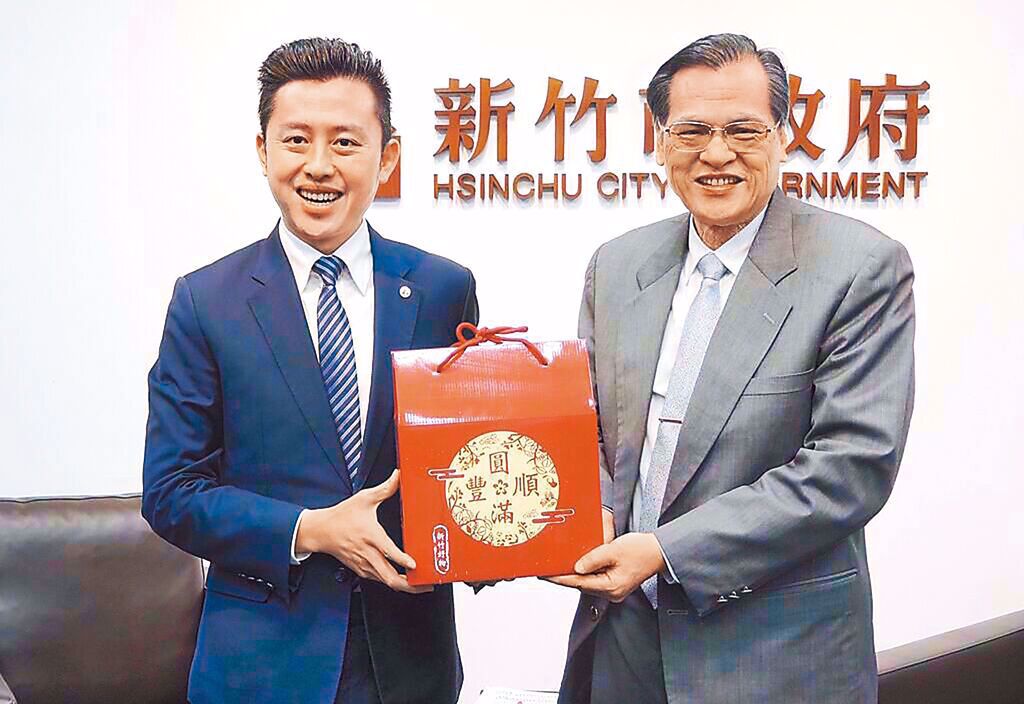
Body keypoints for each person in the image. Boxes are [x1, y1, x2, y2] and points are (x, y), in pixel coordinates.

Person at [551, 33, 915, 704]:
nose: (716, 154)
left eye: (743, 131)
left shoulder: (860, 268)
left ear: (784, 135)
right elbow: (588, 426)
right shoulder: (617, 266)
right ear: (660, 142)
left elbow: (851, 466)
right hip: (623, 641)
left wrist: (664, 552)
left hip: (773, 653)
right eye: (691, 132)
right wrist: (589, 511)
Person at [142, 37, 476, 704]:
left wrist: (516, 536)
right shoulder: (206, 301)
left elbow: (460, 460)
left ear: (387, 158)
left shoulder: (443, 288)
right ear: (263, 151)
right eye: (296, 140)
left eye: (345, 143)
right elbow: (172, 492)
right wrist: (311, 529)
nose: (318, 166)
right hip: (261, 664)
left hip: (407, 664)